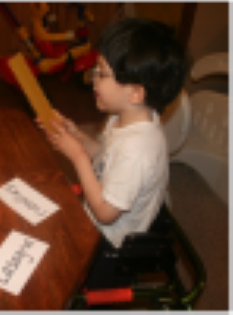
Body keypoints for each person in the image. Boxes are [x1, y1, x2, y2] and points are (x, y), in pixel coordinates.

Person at [36, 17, 187, 297]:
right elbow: (105, 158)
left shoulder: (139, 149)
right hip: (100, 210)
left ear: (135, 93)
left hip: (110, 247)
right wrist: (78, 136)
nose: (93, 77)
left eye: (102, 73)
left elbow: (105, 213)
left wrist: (77, 156)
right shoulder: (123, 117)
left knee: (60, 280)